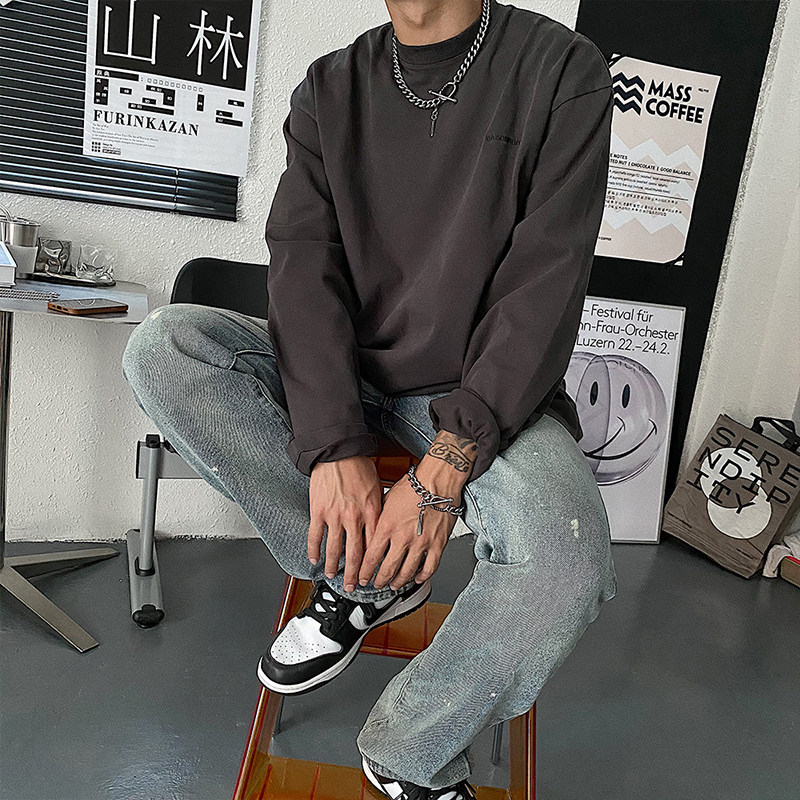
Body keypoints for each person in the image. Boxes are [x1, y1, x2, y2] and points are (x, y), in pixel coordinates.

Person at [121, 1, 618, 797]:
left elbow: (545, 282)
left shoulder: (560, 69)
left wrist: (447, 464)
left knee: (566, 552)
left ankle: (410, 751)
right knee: (165, 347)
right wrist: (333, 443)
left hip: (477, 389)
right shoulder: (330, 88)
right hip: (344, 373)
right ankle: (365, 578)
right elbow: (302, 265)